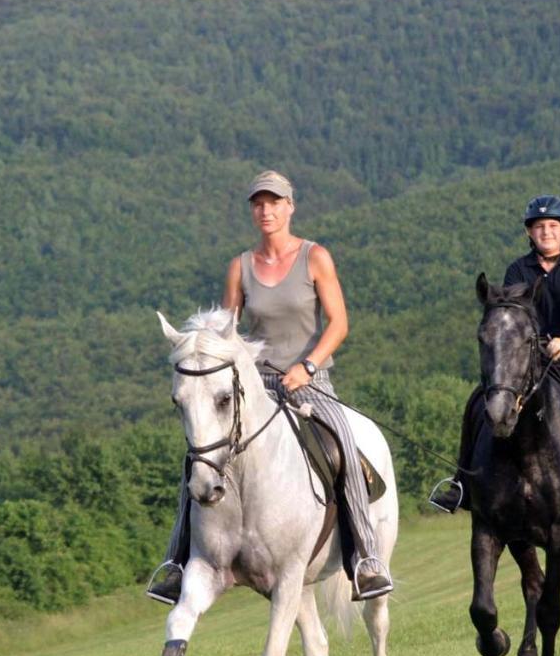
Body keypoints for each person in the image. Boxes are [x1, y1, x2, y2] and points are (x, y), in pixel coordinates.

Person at [147, 170, 394, 603]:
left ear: (290, 207)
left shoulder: (315, 258)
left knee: (342, 447)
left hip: (309, 381)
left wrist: (309, 367)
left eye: (274, 202)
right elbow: (227, 335)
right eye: (259, 204)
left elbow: (339, 324)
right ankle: (176, 562)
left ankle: (365, 558)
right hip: (255, 386)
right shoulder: (239, 267)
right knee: (200, 458)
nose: (266, 210)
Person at [431, 194, 560, 513]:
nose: (546, 232)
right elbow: (512, 312)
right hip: (528, 351)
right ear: (529, 233)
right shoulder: (518, 269)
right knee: (478, 402)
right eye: (539, 226)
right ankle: (462, 485)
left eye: (553, 225)